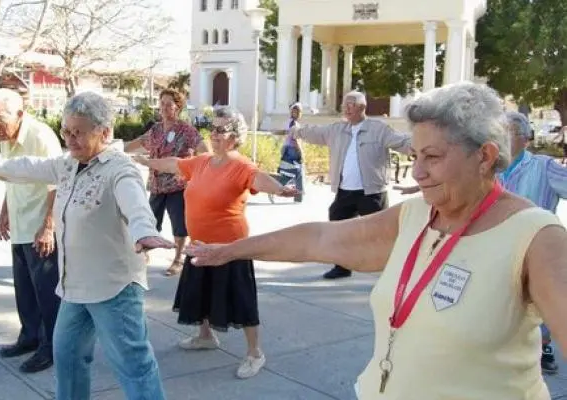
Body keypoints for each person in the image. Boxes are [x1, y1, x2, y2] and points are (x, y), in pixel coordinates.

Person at [187, 83, 567, 399]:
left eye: (432, 157)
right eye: (415, 155)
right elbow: (320, 238)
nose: (417, 172)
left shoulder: (535, 237)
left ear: (484, 156)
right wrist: (229, 252)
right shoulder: (415, 214)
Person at [0, 91, 172, 400]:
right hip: (74, 289)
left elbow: (136, 204)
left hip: (113, 289)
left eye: (79, 132)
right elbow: (27, 166)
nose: (71, 139)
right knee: (68, 359)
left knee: (135, 367)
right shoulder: (68, 164)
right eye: (67, 131)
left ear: (104, 132)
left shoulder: (120, 168)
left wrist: (144, 231)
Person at [395, 110, 567, 375]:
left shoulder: (543, 168)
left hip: (527, 255)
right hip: (482, 250)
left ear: (524, 138)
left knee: (532, 311)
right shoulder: (485, 168)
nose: (501, 138)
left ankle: (541, 345)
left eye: (507, 133)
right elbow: (454, 181)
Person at [133, 107, 299, 379]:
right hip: (200, 244)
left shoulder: (241, 165)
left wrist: (280, 190)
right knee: (200, 292)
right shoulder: (203, 161)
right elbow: (174, 163)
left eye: (221, 129)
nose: (214, 134)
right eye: (213, 128)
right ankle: (206, 336)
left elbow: (259, 179)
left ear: (235, 136)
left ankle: (255, 353)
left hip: (231, 247)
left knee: (242, 300)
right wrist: (147, 162)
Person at [273, 91, 411, 280]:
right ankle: (342, 266)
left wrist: (423, 146)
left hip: (372, 192)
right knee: (338, 229)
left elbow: (402, 142)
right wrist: (296, 130)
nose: (346, 108)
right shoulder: (337, 130)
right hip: (345, 191)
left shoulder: (378, 129)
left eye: (351, 104)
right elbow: (315, 133)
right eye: (345, 104)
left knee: (381, 234)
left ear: (362, 107)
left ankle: (394, 272)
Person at [0, 88, 63, 373]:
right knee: (25, 290)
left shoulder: (40, 136)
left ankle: (51, 346)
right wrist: (4, 211)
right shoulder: (7, 137)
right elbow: (11, 175)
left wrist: (49, 226)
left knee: (47, 293)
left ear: (19, 114)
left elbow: (58, 182)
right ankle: (29, 336)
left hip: (39, 227)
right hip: (19, 223)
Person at [125, 88, 209, 276]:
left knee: (179, 225)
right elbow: (140, 141)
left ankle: (178, 259)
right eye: (161, 103)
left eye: (168, 104)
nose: (163, 107)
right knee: (149, 221)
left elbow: (203, 149)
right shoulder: (156, 129)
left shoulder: (186, 130)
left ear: (177, 107)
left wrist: (201, 167)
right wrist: (116, 148)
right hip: (156, 185)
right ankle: (142, 255)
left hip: (178, 185)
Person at [270, 102, 305, 203]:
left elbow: (285, 132)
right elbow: (295, 139)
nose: (296, 113)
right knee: (298, 172)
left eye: (297, 111)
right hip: (293, 150)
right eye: (295, 111)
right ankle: (298, 196)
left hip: (287, 150)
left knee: (290, 173)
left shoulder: (290, 122)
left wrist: (275, 132)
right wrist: (301, 152)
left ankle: (273, 185)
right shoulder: (295, 124)